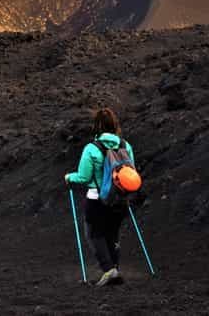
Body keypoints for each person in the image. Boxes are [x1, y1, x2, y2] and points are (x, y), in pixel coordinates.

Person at [64, 108, 135, 287]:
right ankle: (115, 269)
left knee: (94, 234)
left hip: (97, 199)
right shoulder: (126, 146)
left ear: (97, 126)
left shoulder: (91, 149)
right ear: (115, 125)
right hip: (119, 198)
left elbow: (84, 177)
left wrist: (68, 177)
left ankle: (109, 270)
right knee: (113, 234)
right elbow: (130, 171)